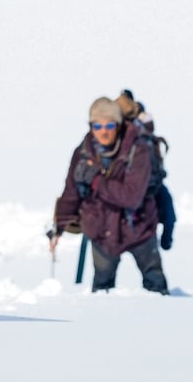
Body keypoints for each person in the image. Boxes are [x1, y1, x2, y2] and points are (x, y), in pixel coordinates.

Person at [50, 97, 168, 295]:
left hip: (139, 229)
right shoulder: (82, 153)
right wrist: (59, 227)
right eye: (97, 125)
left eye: (109, 125)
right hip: (101, 230)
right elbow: (71, 192)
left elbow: (131, 197)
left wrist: (95, 180)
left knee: (156, 285)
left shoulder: (138, 150)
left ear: (118, 125)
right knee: (102, 290)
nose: (103, 131)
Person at [116, 89, 177, 250]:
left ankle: (165, 240)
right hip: (128, 185)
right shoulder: (118, 126)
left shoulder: (143, 123)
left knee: (168, 212)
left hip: (151, 184)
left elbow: (149, 125)